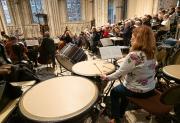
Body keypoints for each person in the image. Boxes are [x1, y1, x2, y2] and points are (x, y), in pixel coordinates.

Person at [101, 25, 157, 123]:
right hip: (151, 88)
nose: (131, 40)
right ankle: (122, 113)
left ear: (139, 40)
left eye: (133, 38)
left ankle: (116, 119)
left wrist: (107, 77)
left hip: (138, 91)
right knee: (124, 88)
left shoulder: (134, 55)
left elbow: (119, 73)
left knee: (114, 92)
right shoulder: (152, 52)